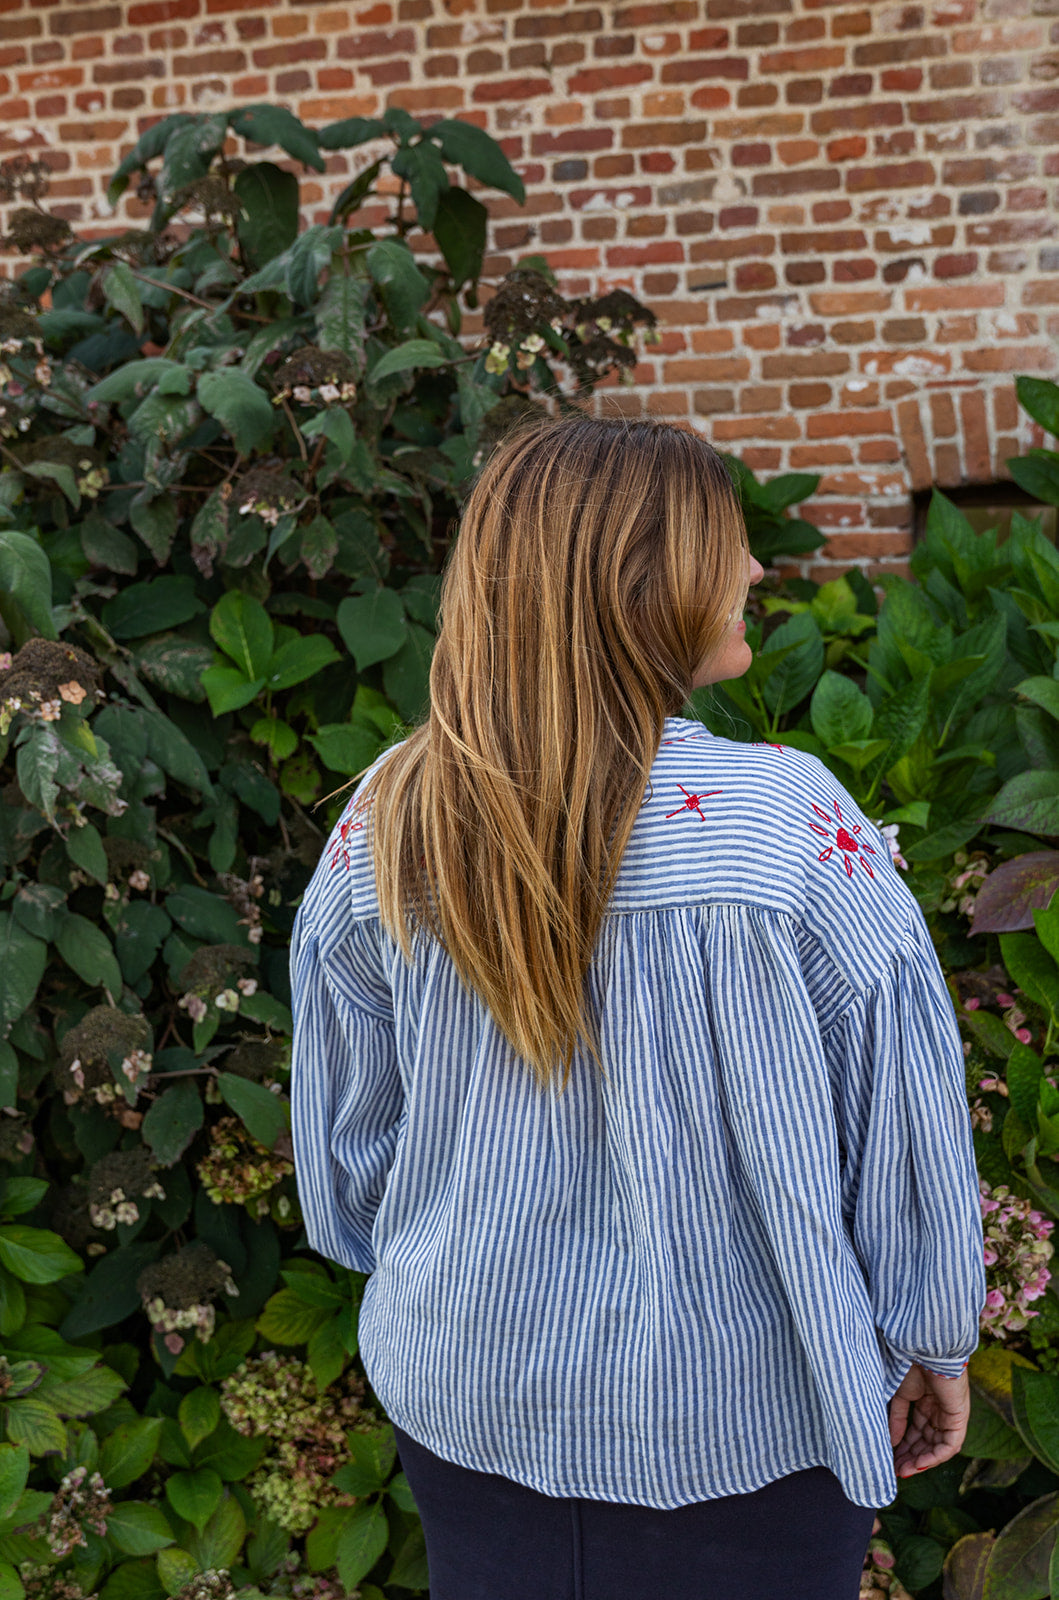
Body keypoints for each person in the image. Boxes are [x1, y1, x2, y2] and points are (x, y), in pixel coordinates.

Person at [289, 415, 985, 1600]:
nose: (756, 572)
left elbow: (349, 1160)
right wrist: (933, 1333)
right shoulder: (784, 825)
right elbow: (899, 1114)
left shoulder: (385, 819)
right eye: (727, 545)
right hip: (747, 1420)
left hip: (470, 1396)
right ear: (637, 580)